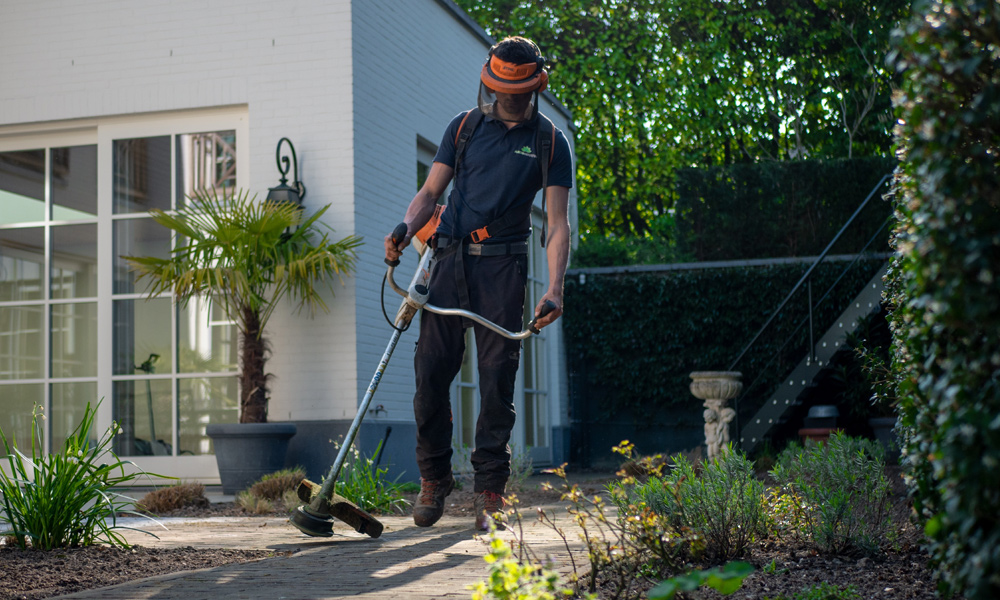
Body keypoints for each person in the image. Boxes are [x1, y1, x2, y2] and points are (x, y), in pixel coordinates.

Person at [384, 36, 573, 531]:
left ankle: (489, 493)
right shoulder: (464, 127)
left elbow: (556, 224)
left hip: (502, 272)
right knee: (429, 378)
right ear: (487, 82)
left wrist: (554, 287)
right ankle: (434, 480)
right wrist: (405, 229)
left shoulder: (551, 142)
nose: (503, 98)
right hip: (446, 264)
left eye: (514, 91)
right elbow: (430, 192)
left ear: (535, 85)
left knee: (496, 385)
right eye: (496, 88)